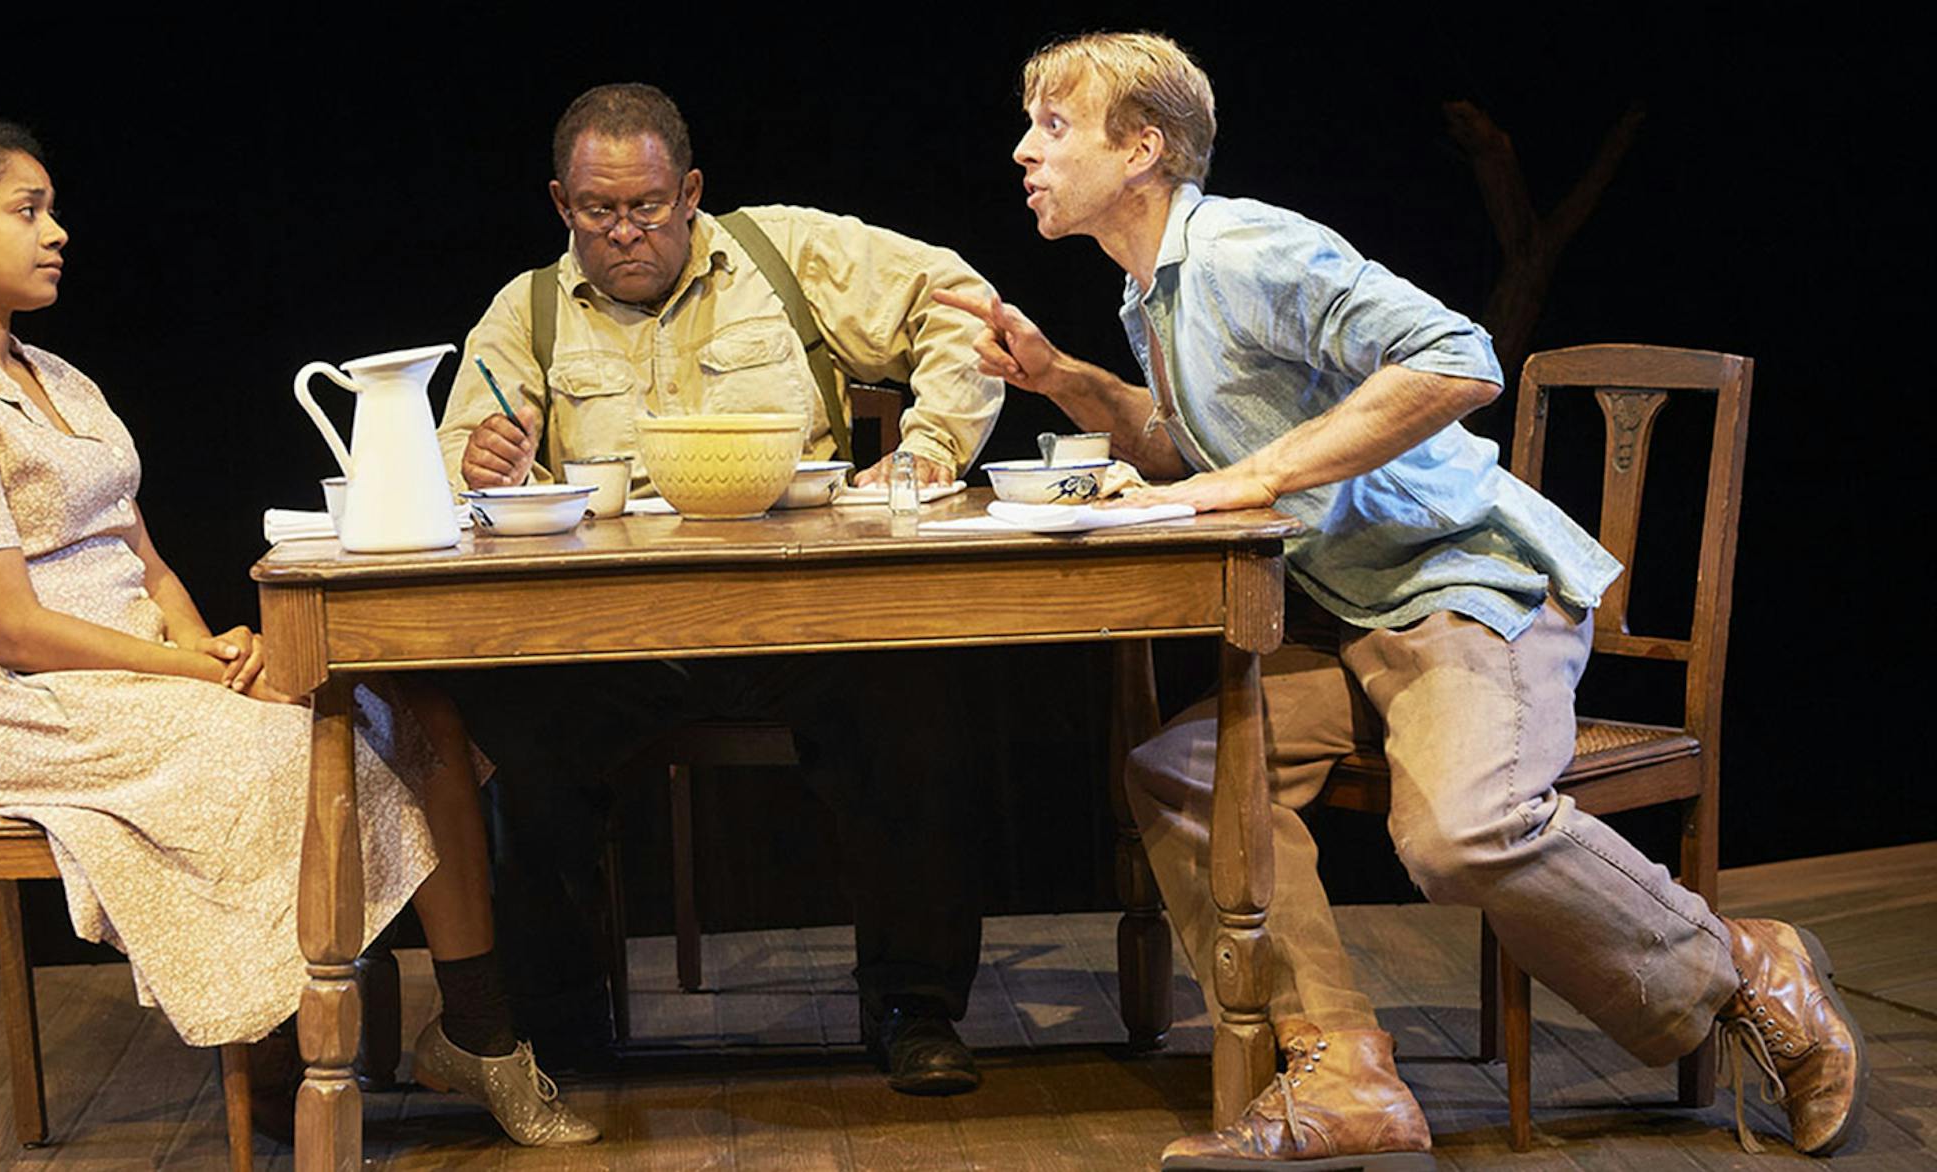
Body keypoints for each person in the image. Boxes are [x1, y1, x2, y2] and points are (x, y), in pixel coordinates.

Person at [935, 32, 1865, 1168]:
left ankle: (1745, 965)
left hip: (1469, 589)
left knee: (1460, 832)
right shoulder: (1155, 287)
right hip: (1364, 618)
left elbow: (1459, 356)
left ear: (1144, 148)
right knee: (1179, 774)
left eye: (1054, 126)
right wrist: (1065, 378)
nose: (1025, 151)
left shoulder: (1241, 247)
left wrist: (1268, 474)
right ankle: (1342, 1071)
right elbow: (1183, 446)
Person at [0, 117, 595, 1148]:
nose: (56, 231)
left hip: (139, 671)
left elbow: (145, 560)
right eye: (25, 211)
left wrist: (216, 648)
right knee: (313, 756)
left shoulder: (56, 376)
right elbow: (16, 631)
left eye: (52, 208)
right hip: (34, 708)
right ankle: (291, 1051)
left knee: (410, 707)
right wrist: (189, 668)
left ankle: (478, 1032)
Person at [432, 83, 1002, 1094]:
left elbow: (957, 298)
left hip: (800, 614)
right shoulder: (526, 314)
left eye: (647, 206)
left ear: (690, 190)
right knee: (512, 733)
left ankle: (914, 1008)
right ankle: (562, 1024)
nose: (624, 232)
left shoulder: (784, 256)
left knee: (916, 695)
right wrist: (477, 466)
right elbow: (451, 458)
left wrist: (927, 450)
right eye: (598, 211)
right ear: (561, 204)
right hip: (617, 634)